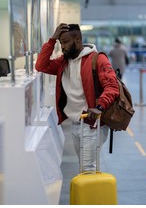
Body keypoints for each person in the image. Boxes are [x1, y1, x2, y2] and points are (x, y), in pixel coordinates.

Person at [35, 23, 119, 171]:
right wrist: (52, 40)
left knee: (87, 168)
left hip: (93, 123)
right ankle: (91, 193)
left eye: (66, 42)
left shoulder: (97, 59)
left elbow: (112, 87)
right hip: (76, 122)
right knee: (85, 166)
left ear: (78, 39)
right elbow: (41, 66)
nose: (63, 46)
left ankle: (93, 194)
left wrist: (100, 106)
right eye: (61, 43)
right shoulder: (63, 62)